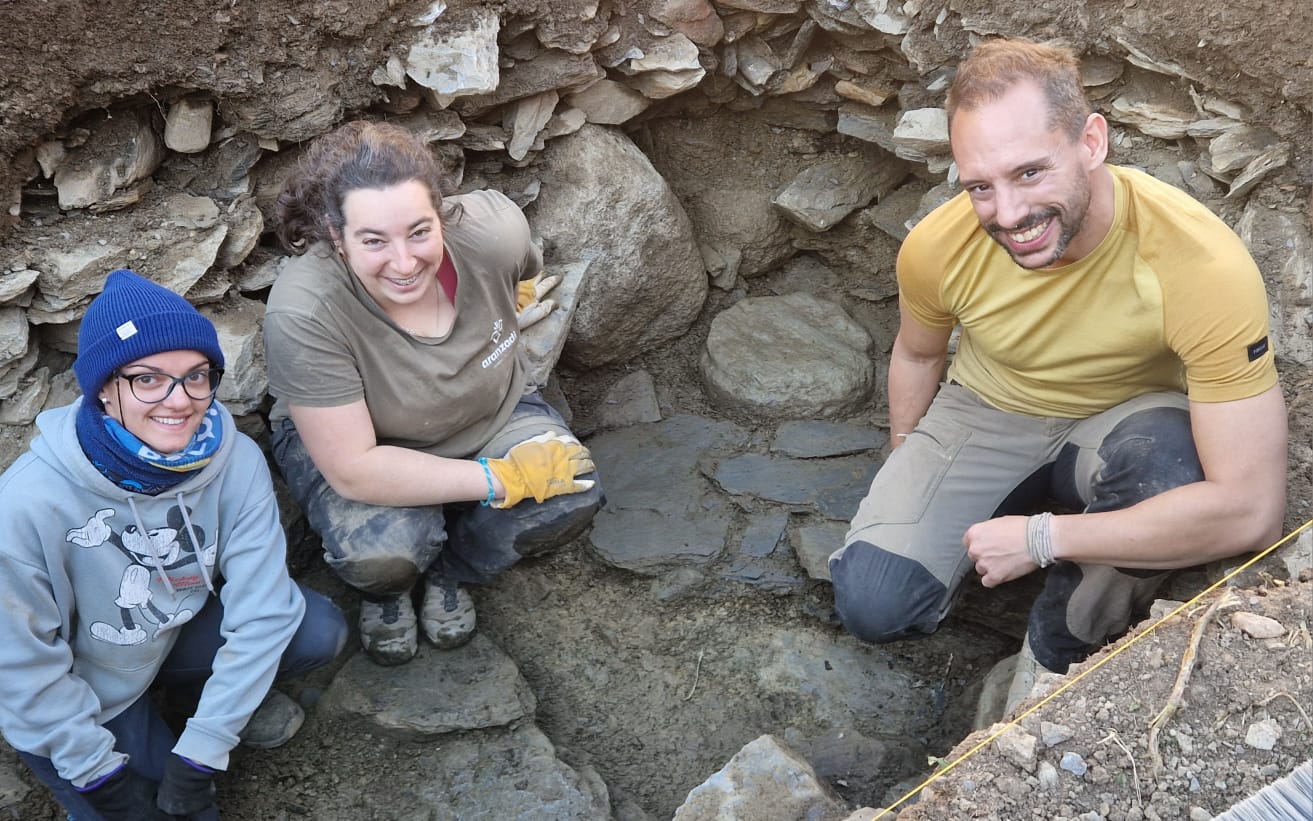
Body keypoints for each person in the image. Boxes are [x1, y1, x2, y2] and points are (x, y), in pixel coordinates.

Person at [829, 38, 1287, 713]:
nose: (1007, 215)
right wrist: (907, 461)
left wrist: (1042, 538)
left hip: (1124, 424)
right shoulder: (936, 245)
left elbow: (1252, 511)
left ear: (1091, 141)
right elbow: (919, 354)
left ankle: (1052, 663)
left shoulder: (1198, 264)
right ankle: (998, 527)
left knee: (1170, 466)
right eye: (979, 185)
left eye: (1029, 173)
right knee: (873, 603)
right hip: (985, 408)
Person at [0, 269, 348, 820]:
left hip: (165, 637)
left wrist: (204, 749)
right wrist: (97, 775)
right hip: (86, 690)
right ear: (105, 390)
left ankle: (190, 708)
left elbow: (263, 614)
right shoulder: (25, 503)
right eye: (147, 378)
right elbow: (19, 669)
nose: (179, 400)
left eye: (195, 376)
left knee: (316, 629)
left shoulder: (232, 459)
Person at [264, 120, 603, 667]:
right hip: (368, 443)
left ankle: (450, 569)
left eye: (420, 231)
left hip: (491, 411)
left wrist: (500, 293)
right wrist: (503, 480)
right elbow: (354, 468)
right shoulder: (305, 310)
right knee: (380, 554)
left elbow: (523, 269)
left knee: (570, 492)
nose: (404, 263)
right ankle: (392, 588)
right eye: (373, 241)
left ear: (441, 212)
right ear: (335, 235)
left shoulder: (492, 233)